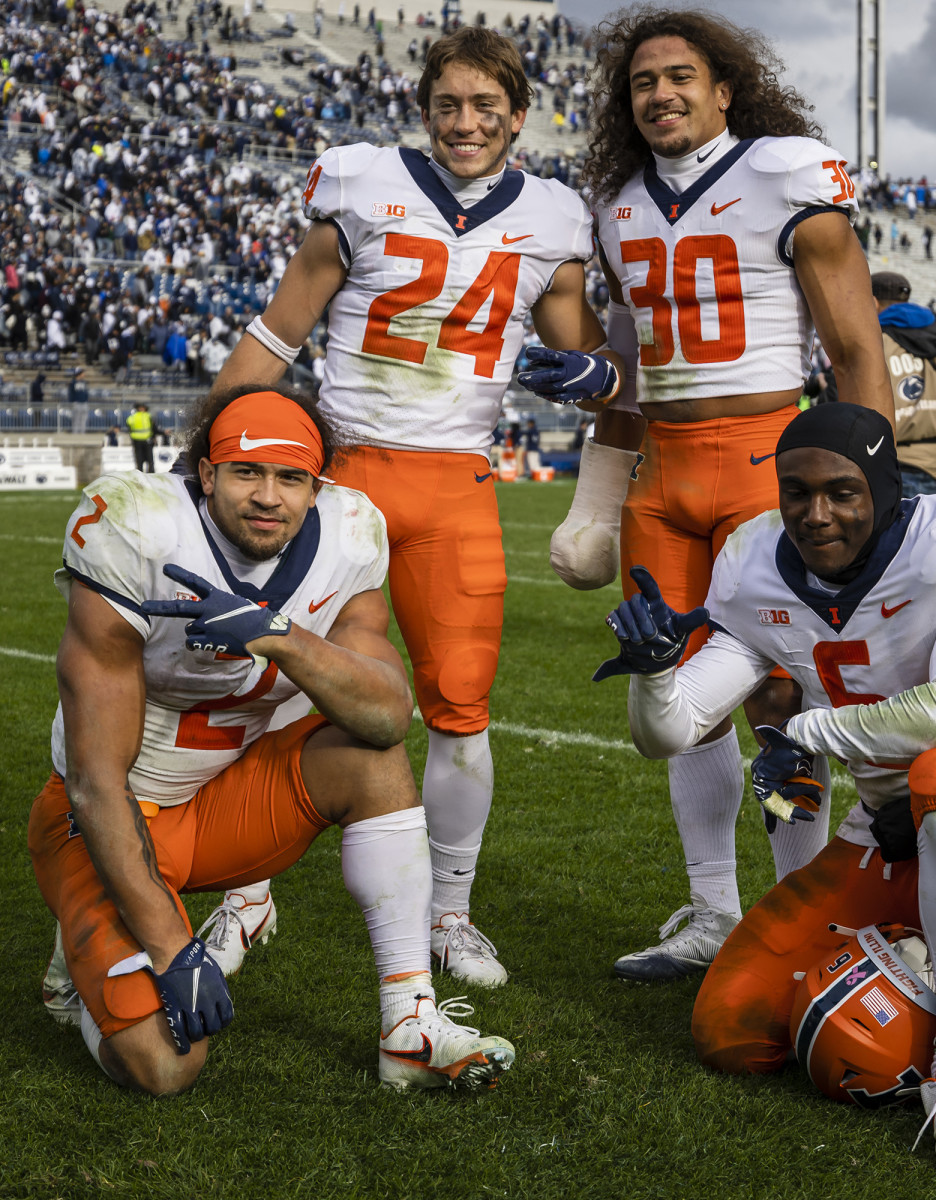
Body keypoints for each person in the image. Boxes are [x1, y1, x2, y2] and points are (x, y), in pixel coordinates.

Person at [210, 27, 621, 987]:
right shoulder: (358, 184)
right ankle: (242, 885)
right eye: (448, 104)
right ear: (424, 109)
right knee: (273, 679)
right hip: (345, 473)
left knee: (461, 708)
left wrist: (585, 373)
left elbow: (601, 372)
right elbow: (276, 334)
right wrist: (213, 448)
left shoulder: (556, 219)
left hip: (455, 484)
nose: (466, 122)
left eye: (486, 107)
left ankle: (450, 911)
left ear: (519, 116)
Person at [599, 403, 936, 1174]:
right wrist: (657, 674)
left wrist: (803, 734)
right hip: (885, 835)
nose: (815, 513)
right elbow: (671, 731)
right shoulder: (753, 559)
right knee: (731, 1031)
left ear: (885, 490)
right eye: (795, 492)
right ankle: (930, 958)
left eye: (841, 491)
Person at [530, 8, 893, 981]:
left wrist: (879, 484)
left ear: (724, 87)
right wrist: (594, 498)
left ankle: (798, 914)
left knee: (778, 695)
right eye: (644, 82)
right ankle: (710, 913)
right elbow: (626, 375)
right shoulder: (615, 205)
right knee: (675, 691)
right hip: (664, 479)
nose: (661, 94)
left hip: (770, 471)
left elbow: (855, 346)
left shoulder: (784, 172)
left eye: (680, 76)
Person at [30, 386, 515, 1097]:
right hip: (112, 817)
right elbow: (95, 781)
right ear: (205, 475)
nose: (268, 496)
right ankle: (83, 969)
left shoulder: (350, 534)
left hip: (226, 805)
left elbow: (386, 715)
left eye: (291, 478)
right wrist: (170, 948)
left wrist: (279, 637)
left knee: (368, 752)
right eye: (245, 472)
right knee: (166, 1068)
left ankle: (409, 1026)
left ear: (317, 487)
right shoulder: (137, 528)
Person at [826, 272, 936, 497]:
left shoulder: (867, 341)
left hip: (874, 462)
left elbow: (832, 405)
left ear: (872, 302)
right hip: (931, 465)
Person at [126, 402, 156, 473]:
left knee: (140, 460)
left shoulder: (132, 417)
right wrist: (153, 437)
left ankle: (140, 474)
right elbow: (153, 428)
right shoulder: (148, 416)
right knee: (149, 460)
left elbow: (129, 427)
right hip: (146, 440)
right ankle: (149, 474)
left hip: (137, 441)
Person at [67, 367, 90, 435]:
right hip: (76, 403)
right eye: (82, 373)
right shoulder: (73, 382)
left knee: (83, 419)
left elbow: (86, 392)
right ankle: (75, 434)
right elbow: (71, 393)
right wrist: (72, 402)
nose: (84, 374)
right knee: (76, 419)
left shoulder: (84, 382)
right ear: (79, 374)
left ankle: (82, 433)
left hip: (84, 403)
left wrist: (86, 399)